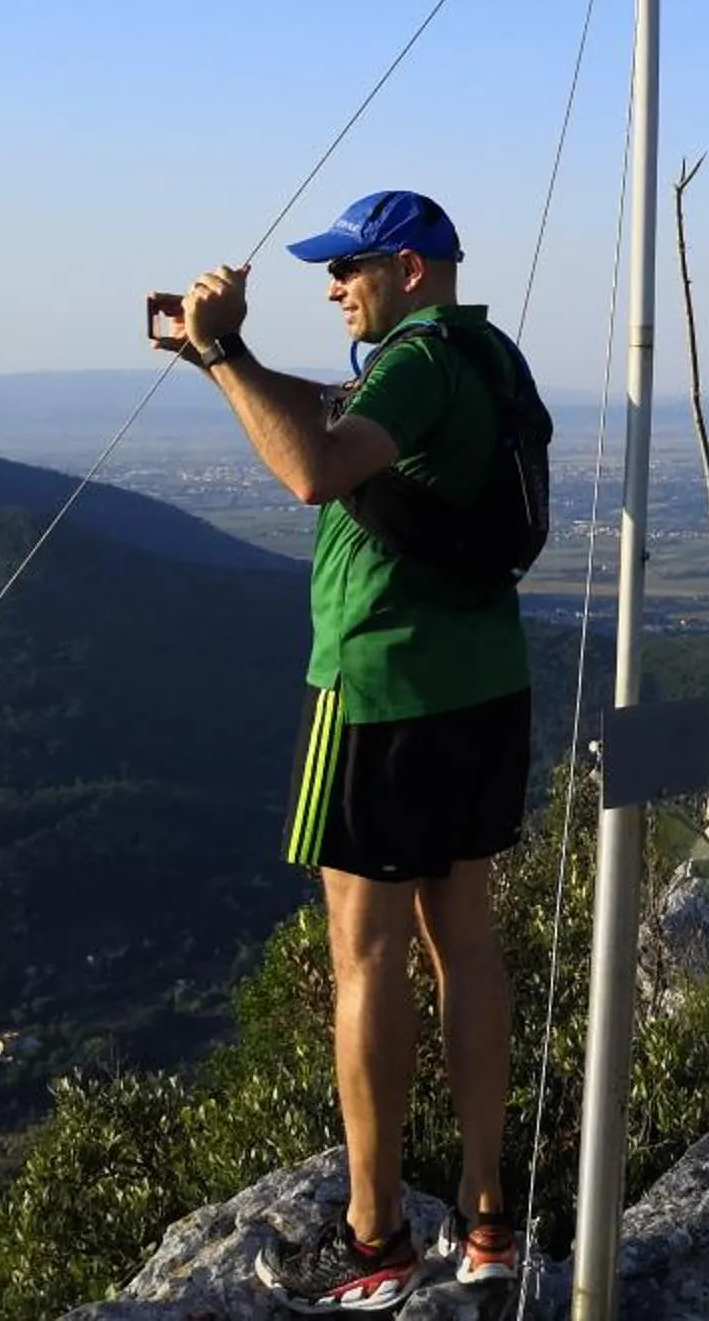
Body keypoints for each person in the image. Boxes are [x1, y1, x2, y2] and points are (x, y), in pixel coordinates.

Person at [159, 189, 532, 1312]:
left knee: (365, 955)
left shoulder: (413, 360)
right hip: (484, 688)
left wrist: (223, 357)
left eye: (349, 269)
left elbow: (315, 469)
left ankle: (375, 1241)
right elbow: (335, 418)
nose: (332, 287)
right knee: (464, 943)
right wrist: (227, 357)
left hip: (378, 693)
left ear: (409, 268)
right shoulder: (481, 355)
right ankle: (485, 1221)